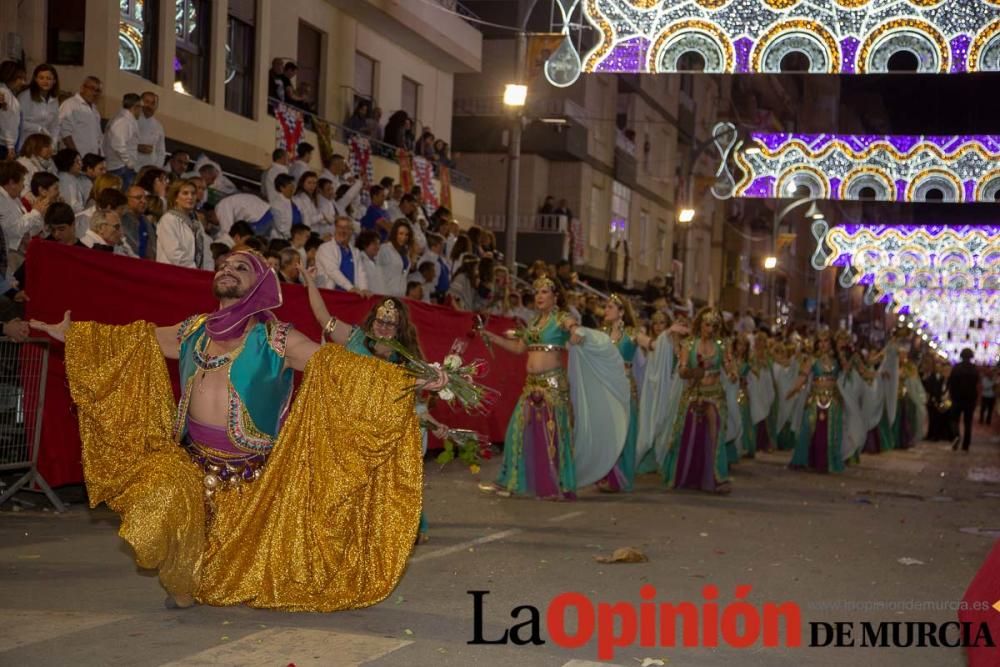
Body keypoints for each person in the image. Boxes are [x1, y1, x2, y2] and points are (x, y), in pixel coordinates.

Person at [29, 249, 445, 610]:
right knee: (161, 495)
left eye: (240, 267)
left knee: (241, 579)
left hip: (253, 484)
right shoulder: (193, 330)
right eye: (223, 264)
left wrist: (415, 381)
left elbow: (341, 370)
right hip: (190, 467)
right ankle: (182, 567)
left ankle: (200, 568)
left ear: (260, 284)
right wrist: (77, 335)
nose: (227, 269)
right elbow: (136, 341)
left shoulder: (278, 339)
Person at [479, 276, 628, 500]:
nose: (539, 296)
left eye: (544, 292)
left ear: (555, 296)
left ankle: (558, 485)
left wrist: (576, 331)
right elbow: (520, 348)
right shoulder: (533, 323)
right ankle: (509, 481)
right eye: (537, 292)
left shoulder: (561, 318)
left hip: (553, 386)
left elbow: (573, 327)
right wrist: (492, 338)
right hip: (531, 386)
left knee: (553, 436)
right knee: (516, 432)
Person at [661, 308, 738, 493]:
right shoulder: (689, 344)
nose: (710, 328)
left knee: (715, 434)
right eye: (707, 324)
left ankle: (716, 478)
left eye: (714, 325)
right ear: (700, 325)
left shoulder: (722, 345)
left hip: (715, 393)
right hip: (694, 392)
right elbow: (682, 370)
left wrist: (734, 374)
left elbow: (729, 367)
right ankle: (686, 475)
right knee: (687, 433)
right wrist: (691, 372)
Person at [596, 294, 652, 492]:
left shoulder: (632, 333)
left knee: (623, 432)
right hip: (606, 388)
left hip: (625, 388)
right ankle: (606, 473)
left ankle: (620, 476)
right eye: (606, 306)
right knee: (607, 432)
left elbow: (649, 344)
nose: (606, 310)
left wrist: (667, 337)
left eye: (611, 306)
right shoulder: (601, 335)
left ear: (621, 312)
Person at [156, 179, 213, 270]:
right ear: (176, 198)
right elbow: (174, 254)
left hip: (193, 275)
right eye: (185, 193)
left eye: (193, 193)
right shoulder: (169, 219)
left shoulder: (197, 222)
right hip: (172, 274)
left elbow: (205, 253)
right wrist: (195, 270)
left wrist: (207, 273)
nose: (190, 197)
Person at [315, 215, 369, 294]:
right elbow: (332, 270)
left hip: (351, 295)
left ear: (351, 231)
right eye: (340, 227)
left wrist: (364, 289)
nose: (343, 231)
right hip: (329, 295)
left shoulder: (355, 252)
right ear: (335, 229)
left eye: (347, 228)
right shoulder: (325, 248)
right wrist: (350, 287)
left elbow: (361, 273)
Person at [102, 93, 142, 189]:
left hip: (122, 166)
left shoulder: (124, 119)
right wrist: (129, 163)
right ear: (135, 107)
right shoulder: (123, 121)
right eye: (141, 107)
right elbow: (118, 145)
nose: (141, 111)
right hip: (120, 167)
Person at [58, 76, 102, 157]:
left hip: (91, 159)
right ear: (82, 88)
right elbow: (65, 133)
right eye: (92, 88)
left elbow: (98, 136)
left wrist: (98, 156)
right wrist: (76, 156)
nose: (95, 93)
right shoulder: (70, 105)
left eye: (98, 90)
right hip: (75, 158)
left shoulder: (95, 110)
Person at [18, 64, 60, 146]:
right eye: (41, 78)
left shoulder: (54, 99)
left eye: (49, 78)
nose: (45, 81)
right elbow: (19, 122)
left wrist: (53, 144)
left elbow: (55, 125)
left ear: (54, 81)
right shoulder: (25, 96)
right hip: (26, 144)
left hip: (44, 146)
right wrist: (39, 128)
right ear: (35, 79)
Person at [949, 348, 980, 451]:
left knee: (954, 420)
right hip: (970, 400)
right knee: (968, 423)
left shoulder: (956, 368)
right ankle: (966, 445)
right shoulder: (974, 369)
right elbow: (977, 385)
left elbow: (951, 383)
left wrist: (952, 395)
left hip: (957, 398)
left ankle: (956, 436)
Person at [376, 219, 413, 297]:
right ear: (394, 234)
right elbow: (377, 273)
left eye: (407, 235)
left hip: (400, 296)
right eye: (401, 233)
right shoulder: (384, 249)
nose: (404, 237)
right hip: (384, 294)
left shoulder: (406, 253)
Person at [121, 185, 156, 259]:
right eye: (138, 198)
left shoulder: (146, 220)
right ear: (127, 199)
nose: (144, 201)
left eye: (145, 198)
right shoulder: (122, 219)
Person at [0, 61, 26, 160]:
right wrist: (10, 146)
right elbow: (6, 121)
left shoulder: (8, 93)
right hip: (4, 146)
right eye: (20, 78)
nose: (23, 82)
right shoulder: (4, 93)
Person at [136, 92, 166, 169]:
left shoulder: (159, 127)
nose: (149, 106)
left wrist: (155, 169)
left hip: (148, 171)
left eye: (153, 103)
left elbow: (161, 152)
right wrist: (137, 147)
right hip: (129, 167)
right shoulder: (131, 119)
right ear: (140, 103)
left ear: (156, 106)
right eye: (147, 102)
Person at [355, 230, 385, 296]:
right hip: (366, 298)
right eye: (374, 244)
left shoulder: (377, 262)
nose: (378, 247)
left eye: (378, 244)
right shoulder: (359, 260)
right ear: (365, 245)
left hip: (379, 299)